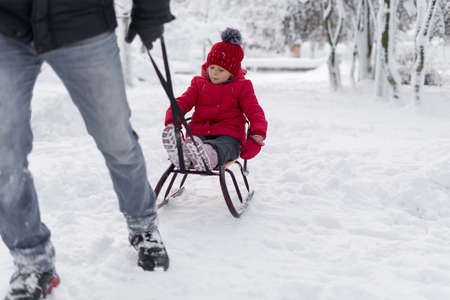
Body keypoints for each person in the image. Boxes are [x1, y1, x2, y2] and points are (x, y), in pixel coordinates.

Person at [0, 1, 174, 299]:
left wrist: (151, 11)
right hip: (7, 26)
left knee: (116, 138)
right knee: (4, 154)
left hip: (81, 21)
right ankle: (32, 261)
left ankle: (143, 225)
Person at [162, 28, 268, 171]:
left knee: (223, 147)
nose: (214, 73)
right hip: (199, 135)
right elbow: (183, 102)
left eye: (221, 70)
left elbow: (255, 112)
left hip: (229, 136)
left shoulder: (242, 87)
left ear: (232, 71)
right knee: (195, 142)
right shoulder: (199, 84)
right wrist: (172, 121)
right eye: (211, 67)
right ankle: (184, 156)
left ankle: (206, 156)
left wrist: (257, 137)